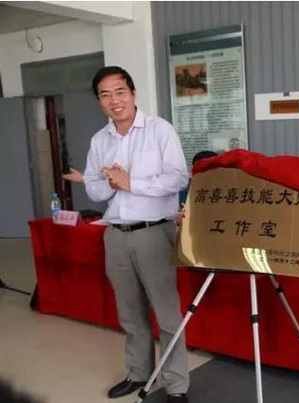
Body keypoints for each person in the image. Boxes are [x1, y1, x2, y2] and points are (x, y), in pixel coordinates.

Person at [67, 66, 190, 402]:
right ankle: (138, 373)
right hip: (115, 235)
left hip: (153, 232)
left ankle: (177, 385)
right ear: (99, 101)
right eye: (105, 95)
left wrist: (131, 182)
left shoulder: (160, 130)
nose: (114, 100)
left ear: (133, 94)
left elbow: (178, 178)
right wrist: (110, 183)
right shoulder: (100, 140)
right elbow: (94, 190)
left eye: (120, 91)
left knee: (167, 314)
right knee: (130, 313)